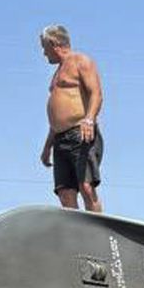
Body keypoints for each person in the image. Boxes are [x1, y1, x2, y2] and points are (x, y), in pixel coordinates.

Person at [38, 25, 105, 213]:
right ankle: (78, 237)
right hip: (60, 140)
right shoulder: (57, 73)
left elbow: (96, 93)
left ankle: (97, 233)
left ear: (54, 44)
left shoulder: (80, 61)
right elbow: (57, 117)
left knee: (86, 186)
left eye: (45, 48)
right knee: (65, 193)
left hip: (81, 133)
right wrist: (47, 146)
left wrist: (89, 118)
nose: (44, 53)